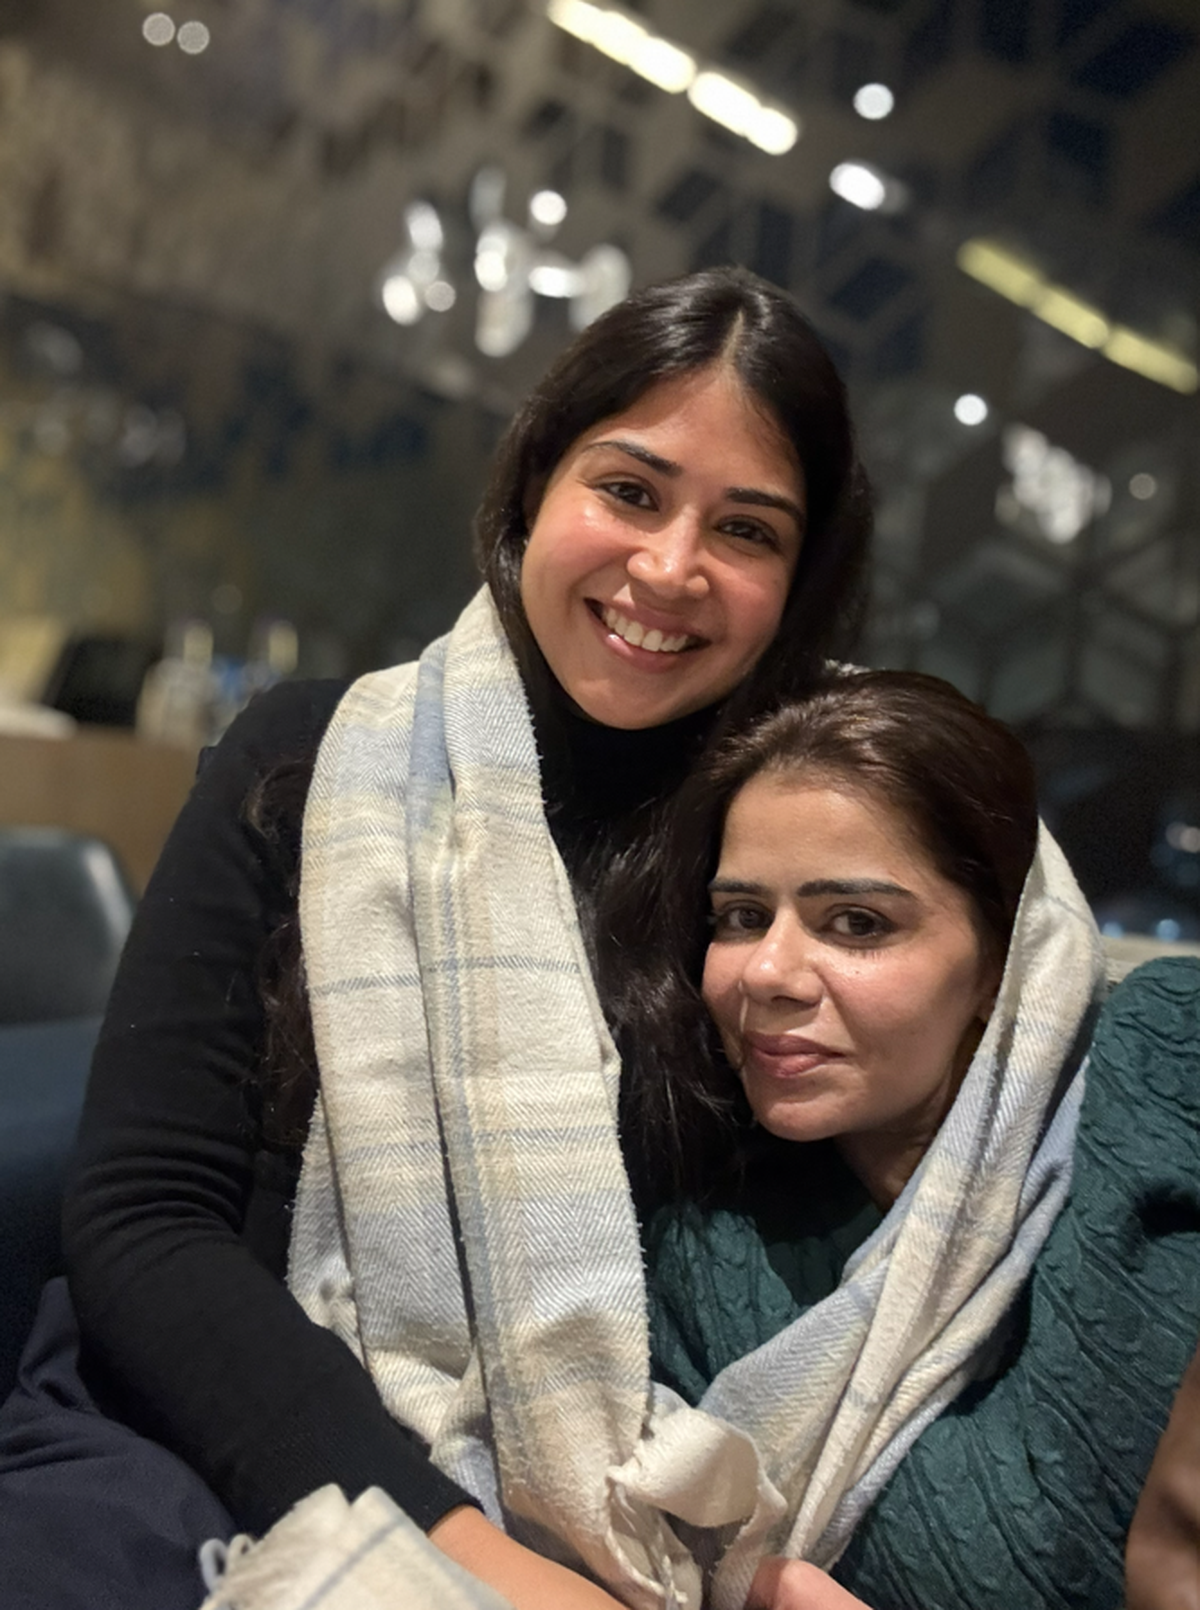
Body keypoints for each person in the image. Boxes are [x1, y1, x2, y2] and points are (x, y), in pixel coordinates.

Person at [0, 266, 871, 1610]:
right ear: (536, 488)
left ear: (800, 578)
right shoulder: (306, 757)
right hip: (188, 1434)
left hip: (607, 1496)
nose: (670, 566)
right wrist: (463, 1560)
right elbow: (143, 1219)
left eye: (746, 530)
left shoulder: (781, 861)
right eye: (630, 490)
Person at [596, 670, 1200, 1610]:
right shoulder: (703, 1258)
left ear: (1006, 955)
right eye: (742, 917)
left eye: (858, 922)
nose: (770, 972)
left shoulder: (1165, 1065)